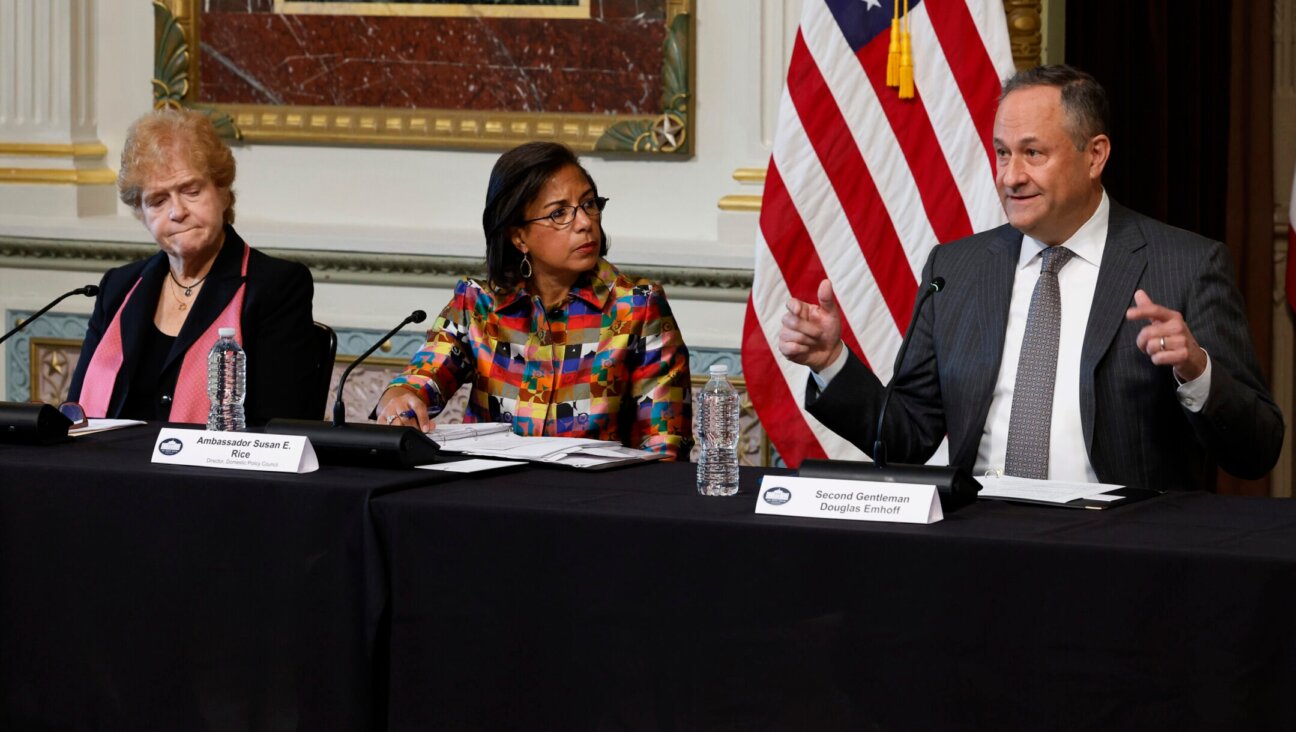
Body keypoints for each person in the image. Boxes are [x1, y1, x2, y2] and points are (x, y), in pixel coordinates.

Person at [778, 64, 1283, 490]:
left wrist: (1197, 370)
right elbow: (908, 436)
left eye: (1033, 153)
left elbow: (1257, 451)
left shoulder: (1187, 266)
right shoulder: (956, 268)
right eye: (1002, 152)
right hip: (979, 545)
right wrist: (832, 363)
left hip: (1122, 555)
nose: (1011, 176)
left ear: (1095, 155)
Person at [375, 141, 693, 459]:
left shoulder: (637, 308)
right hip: (487, 496)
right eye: (559, 213)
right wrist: (401, 397)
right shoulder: (479, 305)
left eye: (589, 204)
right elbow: (420, 378)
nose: (585, 223)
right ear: (519, 237)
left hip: (596, 501)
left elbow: (665, 445)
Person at [67, 108, 317, 424]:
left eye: (191, 190)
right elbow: (75, 416)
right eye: (158, 201)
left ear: (223, 192)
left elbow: (279, 425)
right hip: (112, 466)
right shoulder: (119, 287)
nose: (177, 212)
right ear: (141, 214)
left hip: (216, 471)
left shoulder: (274, 287)